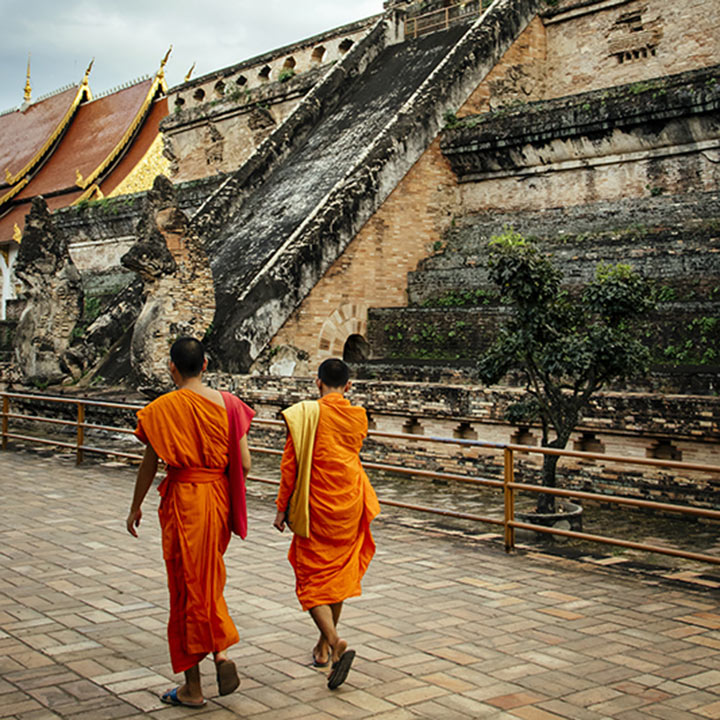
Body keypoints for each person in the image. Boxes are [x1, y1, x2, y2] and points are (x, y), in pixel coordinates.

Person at [126, 336, 254, 708]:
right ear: (206, 364)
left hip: (183, 501)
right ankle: (219, 652)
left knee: (186, 590)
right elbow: (244, 465)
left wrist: (135, 506)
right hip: (216, 500)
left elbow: (150, 463)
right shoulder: (229, 404)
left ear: (171, 368)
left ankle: (193, 688)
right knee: (208, 577)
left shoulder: (163, 408)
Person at [273, 358, 380, 690]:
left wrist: (281, 510)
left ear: (317, 382)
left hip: (317, 505)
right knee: (336, 574)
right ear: (348, 386)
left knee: (310, 577)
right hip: (349, 502)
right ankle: (322, 649)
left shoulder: (305, 415)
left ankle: (334, 641)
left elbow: (289, 467)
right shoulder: (357, 416)